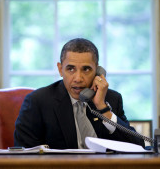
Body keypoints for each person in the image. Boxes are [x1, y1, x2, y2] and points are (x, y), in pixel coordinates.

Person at [14, 38, 145, 149]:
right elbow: (25, 155)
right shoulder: (38, 102)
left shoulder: (111, 99)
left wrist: (103, 108)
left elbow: (138, 146)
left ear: (98, 71)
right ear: (60, 69)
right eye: (70, 69)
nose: (78, 78)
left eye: (86, 69)